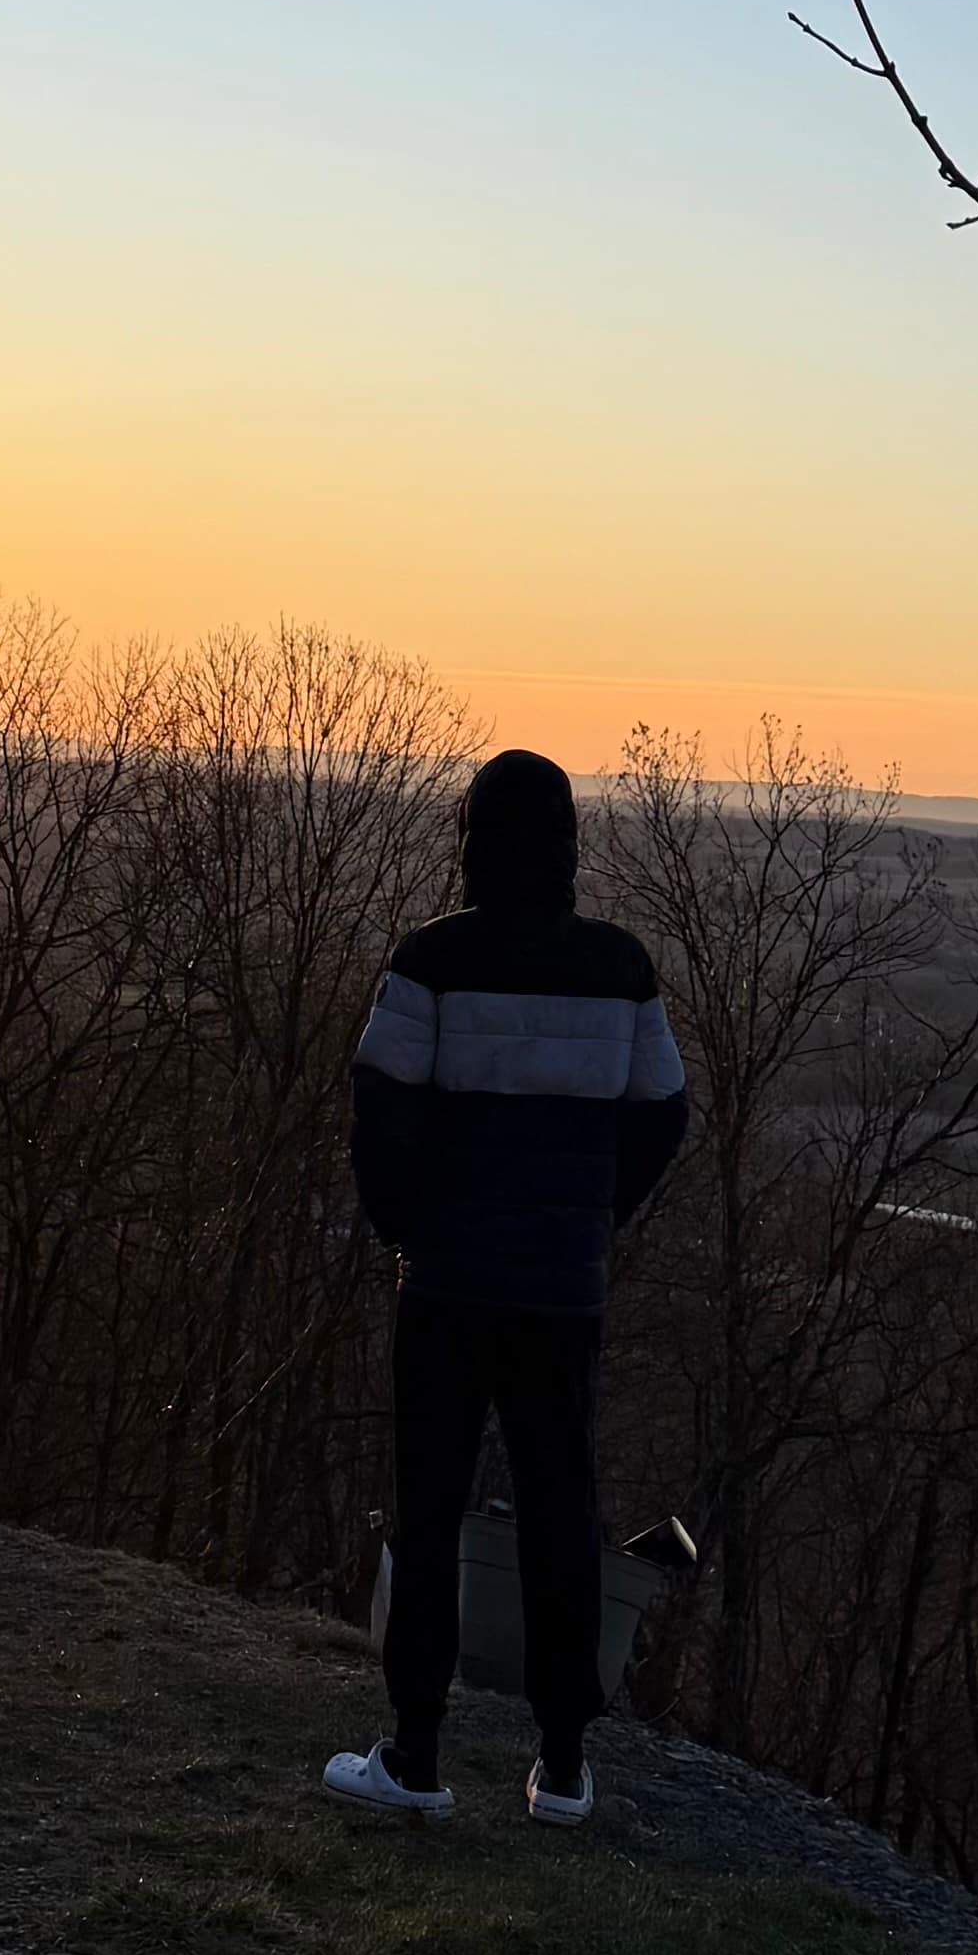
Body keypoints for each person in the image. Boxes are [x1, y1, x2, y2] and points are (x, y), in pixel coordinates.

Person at [323, 747, 687, 1828]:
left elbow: (379, 1108)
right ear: (568, 844)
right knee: (560, 1515)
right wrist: (594, 1217)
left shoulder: (431, 959)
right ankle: (563, 1766)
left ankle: (415, 1755)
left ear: (474, 839)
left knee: (431, 1512)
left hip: (447, 1284)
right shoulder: (621, 969)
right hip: (562, 1292)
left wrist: (408, 1225)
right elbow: (662, 1112)